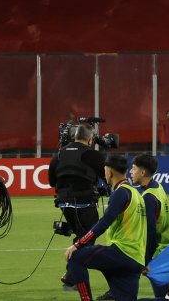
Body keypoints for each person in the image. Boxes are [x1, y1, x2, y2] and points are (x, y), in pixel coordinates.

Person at [65, 154, 146, 301]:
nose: (104, 173)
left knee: (75, 257)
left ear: (109, 172)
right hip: (136, 260)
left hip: (122, 253)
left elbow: (105, 222)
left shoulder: (121, 193)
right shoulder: (137, 194)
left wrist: (79, 243)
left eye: (104, 170)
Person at [49, 122, 106, 291]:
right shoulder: (92, 155)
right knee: (88, 237)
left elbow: (52, 181)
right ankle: (72, 276)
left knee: (82, 236)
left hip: (63, 204)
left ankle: (71, 276)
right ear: (90, 140)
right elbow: (108, 175)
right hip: (84, 202)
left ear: (74, 137)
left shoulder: (58, 154)